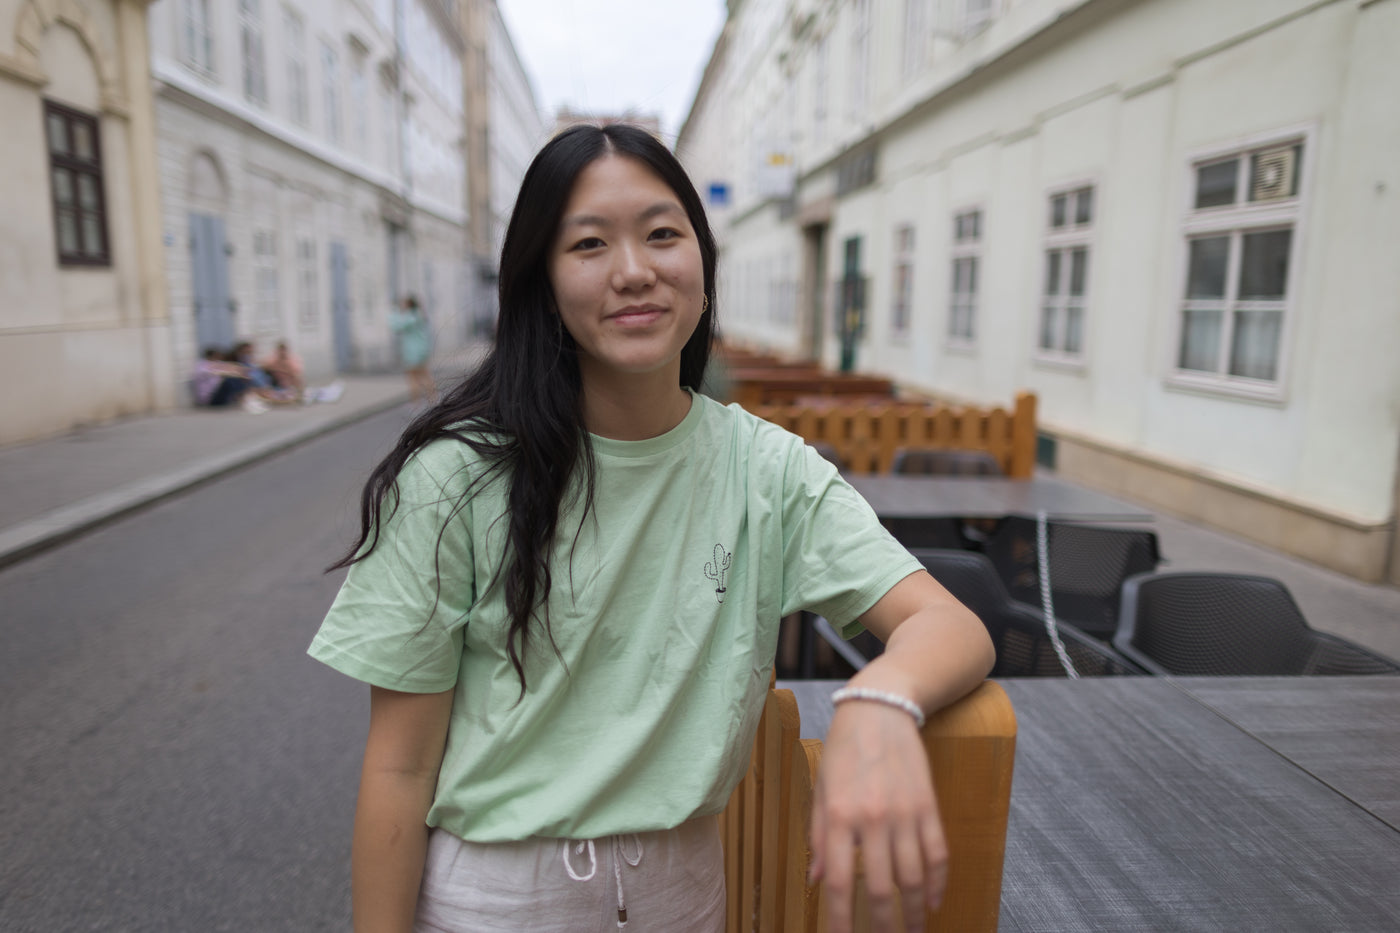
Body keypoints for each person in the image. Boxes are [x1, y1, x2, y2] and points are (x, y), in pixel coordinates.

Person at [308, 124, 994, 933]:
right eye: (590, 243)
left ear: (703, 262)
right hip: (494, 901)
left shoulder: (765, 468)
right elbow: (400, 763)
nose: (635, 272)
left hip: (685, 895)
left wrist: (880, 701)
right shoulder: (455, 478)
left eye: (663, 234)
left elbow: (948, 623)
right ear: (543, 281)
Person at [390, 294, 436, 403]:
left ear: (408, 304)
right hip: (422, 350)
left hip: (412, 352)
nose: (402, 305)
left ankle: (416, 403)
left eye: (403, 303)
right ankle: (433, 398)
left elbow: (396, 327)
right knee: (426, 375)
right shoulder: (419, 314)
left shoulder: (410, 317)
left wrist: (394, 312)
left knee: (412, 377)